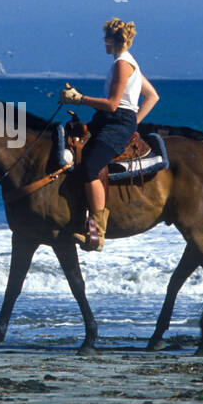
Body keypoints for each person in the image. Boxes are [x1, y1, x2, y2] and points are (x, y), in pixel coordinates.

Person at [58, 18, 158, 251]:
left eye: (105, 38)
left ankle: (96, 234)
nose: (104, 42)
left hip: (115, 123)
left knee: (91, 168)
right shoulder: (129, 63)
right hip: (114, 121)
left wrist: (79, 99)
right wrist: (134, 122)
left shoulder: (122, 64)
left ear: (112, 40)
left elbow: (113, 104)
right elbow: (153, 96)